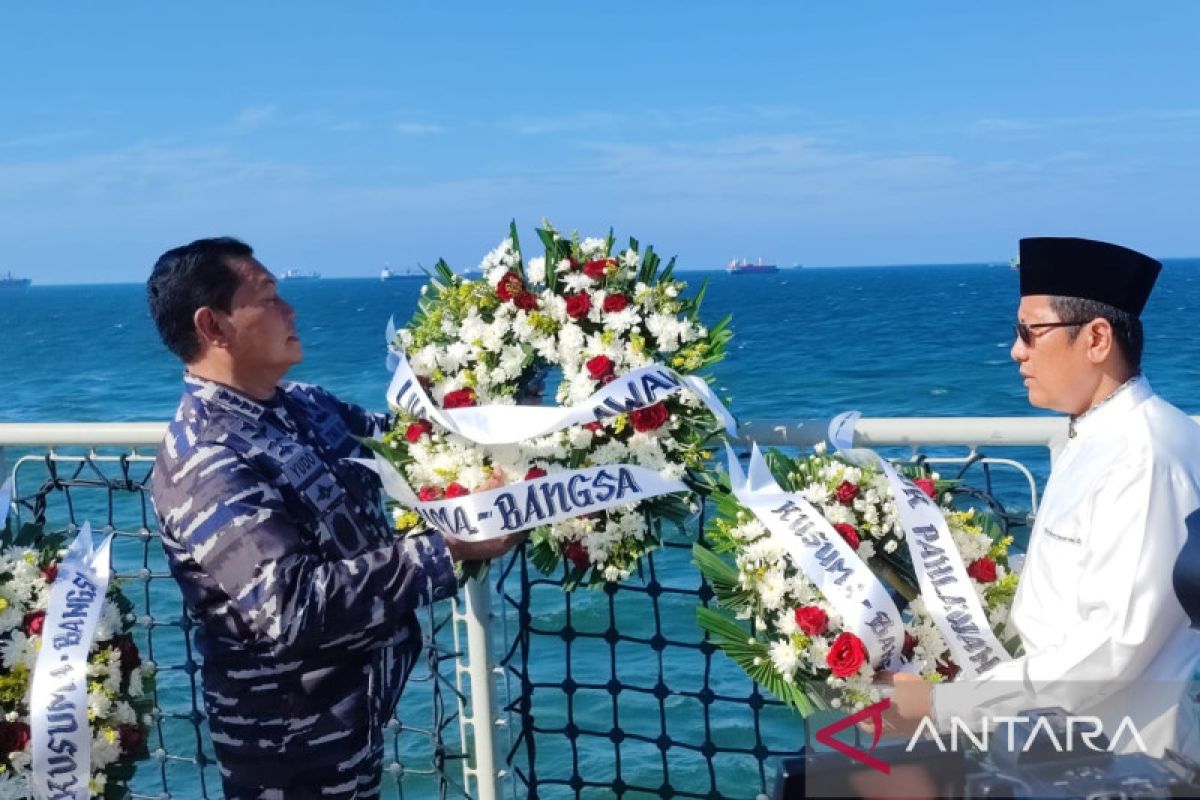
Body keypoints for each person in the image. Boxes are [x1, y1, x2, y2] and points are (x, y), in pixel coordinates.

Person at [147, 237, 520, 799]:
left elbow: (416, 445)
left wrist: (516, 410)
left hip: (351, 726)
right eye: (268, 296)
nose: (290, 309)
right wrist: (448, 550)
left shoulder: (306, 405)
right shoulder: (206, 456)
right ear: (213, 325)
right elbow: (291, 608)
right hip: (287, 753)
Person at [887, 236, 1200, 759]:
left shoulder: (1141, 457)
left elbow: (1110, 649)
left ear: (1097, 338)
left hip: (1118, 758)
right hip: (1067, 735)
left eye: (1030, 332)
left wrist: (945, 704)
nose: (1016, 350)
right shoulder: (1102, 436)